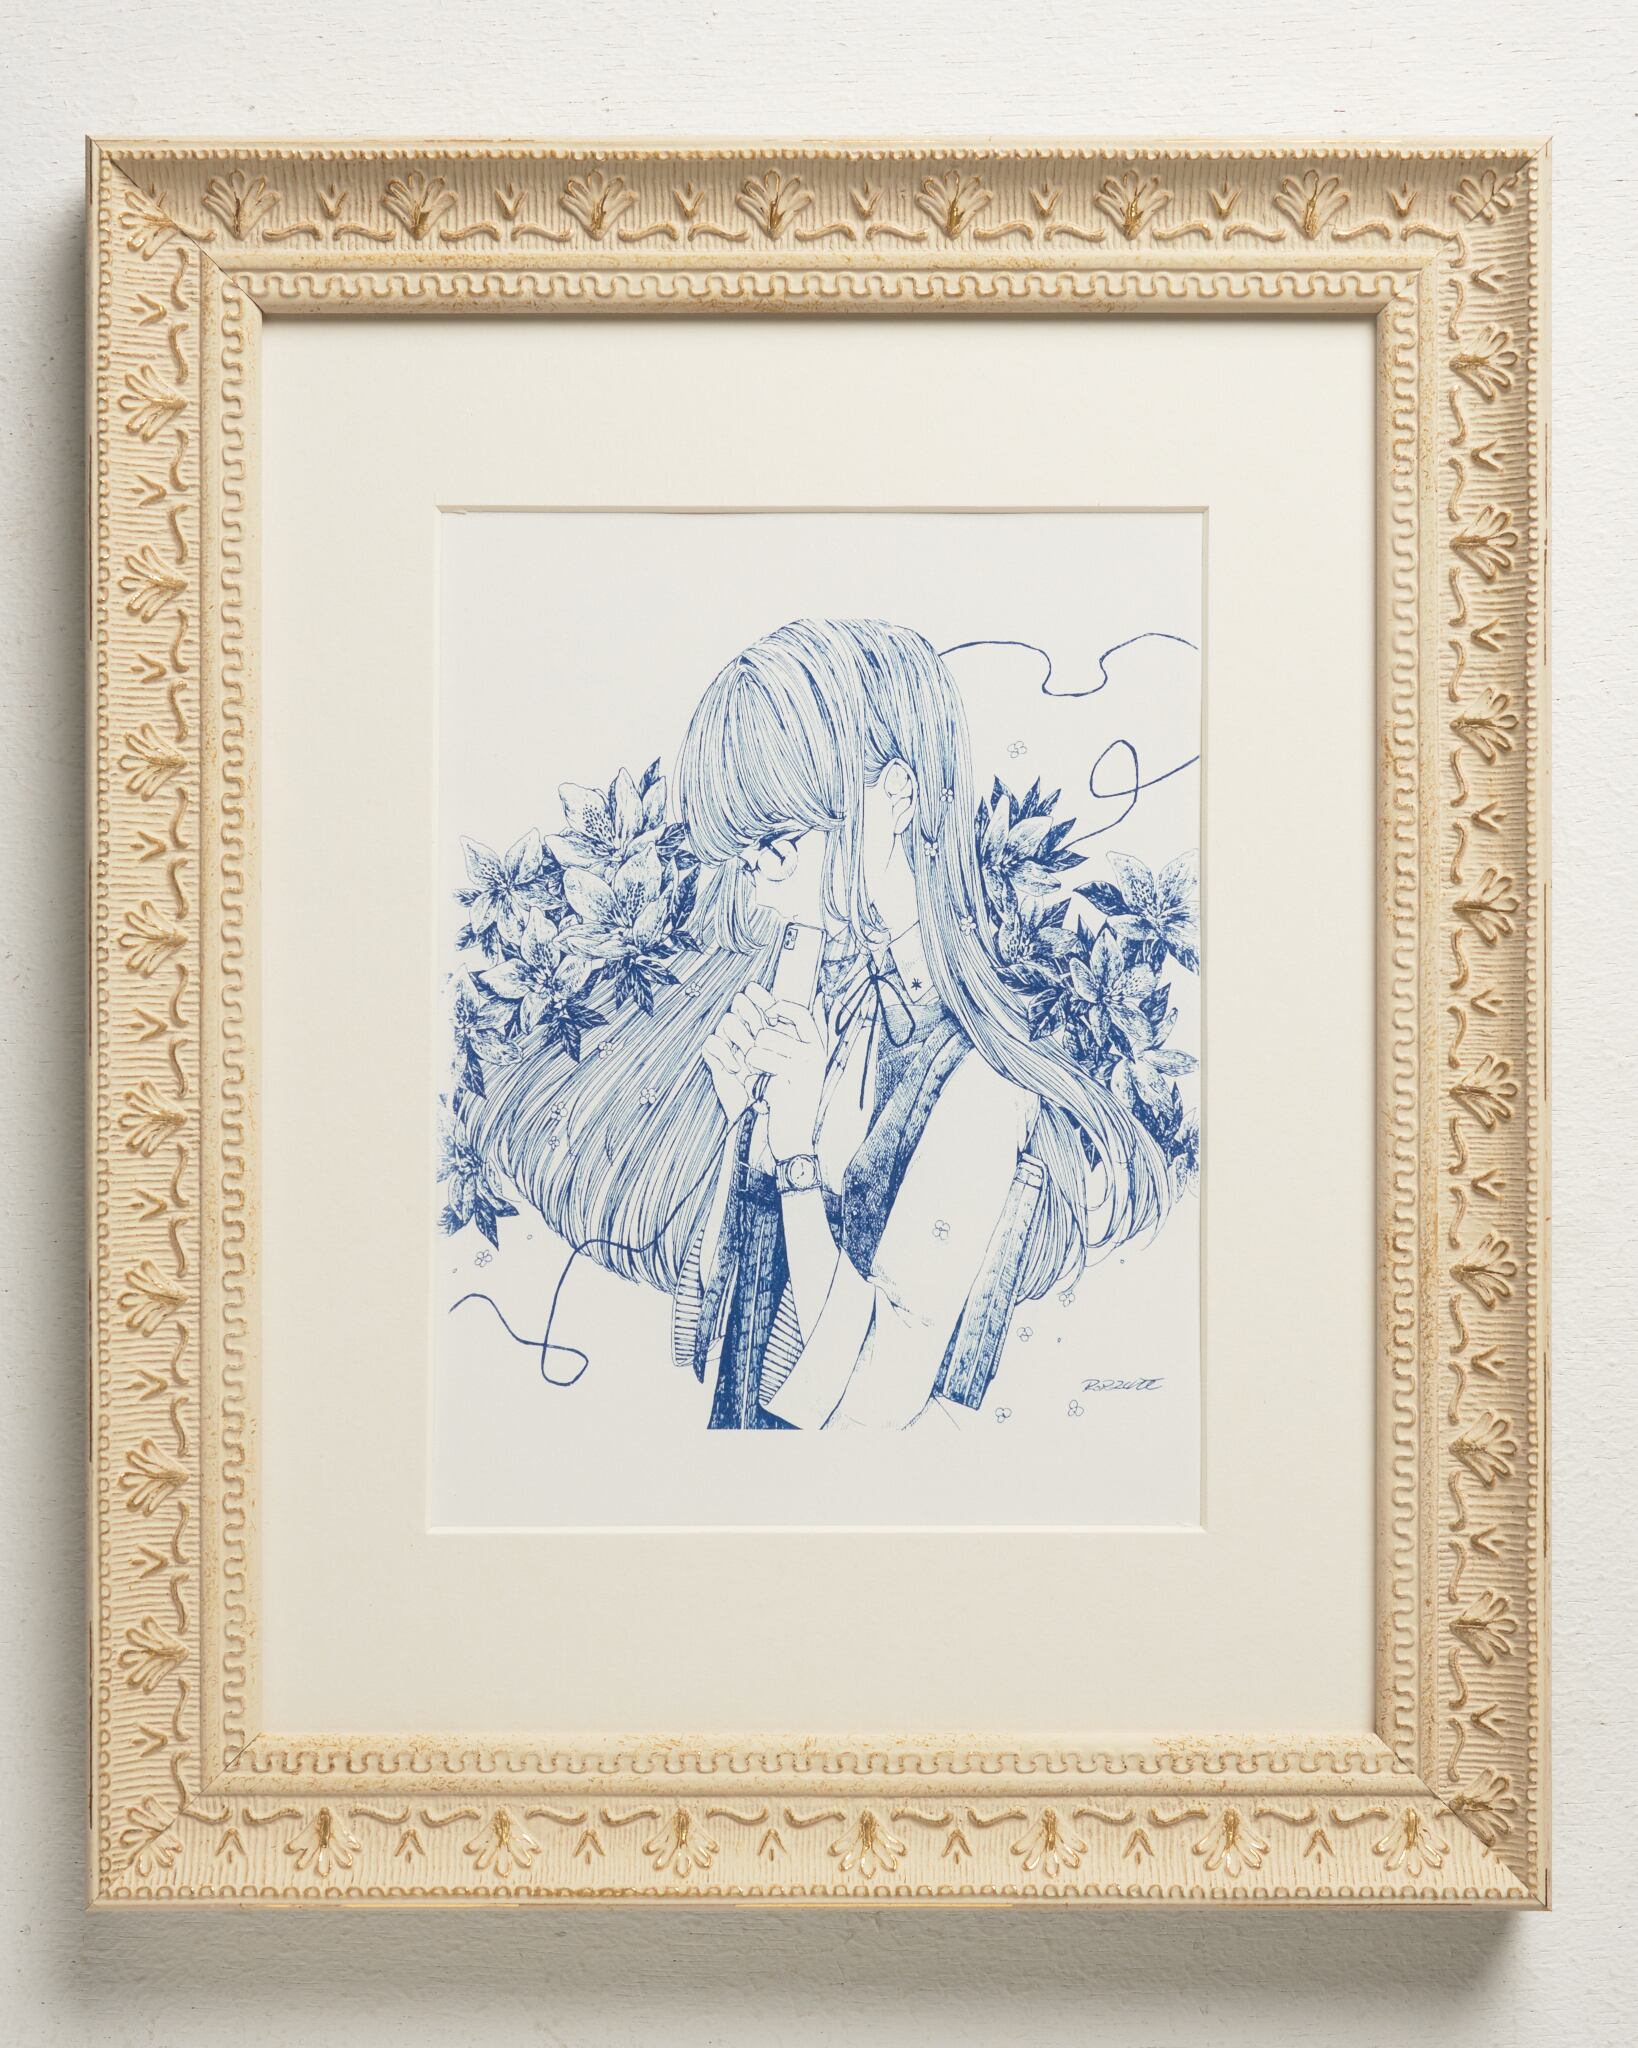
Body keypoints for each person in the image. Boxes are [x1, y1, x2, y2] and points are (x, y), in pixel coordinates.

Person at [473, 619, 1171, 1429]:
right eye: (746, 856)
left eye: (779, 842)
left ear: (898, 795)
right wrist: (747, 1138)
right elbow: (706, 1343)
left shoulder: (980, 1083)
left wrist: (799, 1158)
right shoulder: (831, 1015)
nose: (762, 884)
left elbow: (876, 1400)